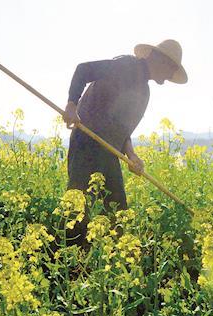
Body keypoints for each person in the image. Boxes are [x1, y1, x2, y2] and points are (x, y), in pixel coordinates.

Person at [63, 39, 187, 246]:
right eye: (170, 69)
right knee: (78, 206)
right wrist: (71, 104)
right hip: (87, 142)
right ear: (158, 59)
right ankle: (72, 262)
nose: (167, 78)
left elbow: (122, 130)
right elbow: (83, 70)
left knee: (117, 209)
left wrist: (132, 155)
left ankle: (112, 263)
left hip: (109, 152)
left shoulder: (144, 93)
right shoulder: (124, 66)